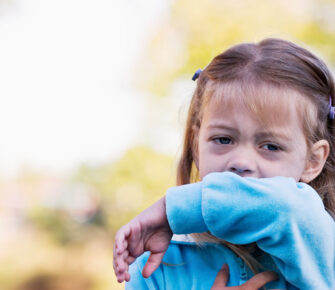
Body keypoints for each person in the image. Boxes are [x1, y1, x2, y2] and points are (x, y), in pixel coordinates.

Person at [113, 38, 335, 289]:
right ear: (197, 145)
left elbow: (287, 207)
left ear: (312, 161)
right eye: (223, 139)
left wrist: (171, 210)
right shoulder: (159, 263)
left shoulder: (319, 240)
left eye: (271, 146)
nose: (240, 162)